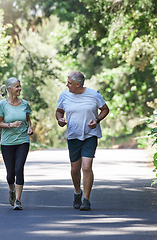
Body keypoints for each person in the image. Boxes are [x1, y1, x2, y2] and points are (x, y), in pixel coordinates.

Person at [56, 71, 109, 211]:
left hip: (90, 135)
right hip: (73, 135)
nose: (67, 85)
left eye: (69, 83)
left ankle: (86, 199)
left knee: (86, 167)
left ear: (78, 84)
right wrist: (60, 119)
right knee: (75, 169)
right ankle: (77, 192)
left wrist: (97, 120)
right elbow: (59, 111)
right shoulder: (64, 95)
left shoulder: (94, 95)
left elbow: (105, 109)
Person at [0, 77, 33, 210]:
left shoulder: (25, 104)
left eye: (20, 86)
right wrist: (11, 125)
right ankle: (11, 191)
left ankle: (18, 200)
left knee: (19, 169)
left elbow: (28, 119)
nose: (19, 89)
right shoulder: (2, 105)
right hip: (7, 143)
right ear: (9, 89)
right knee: (10, 174)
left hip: (23, 141)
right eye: (17, 87)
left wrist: (29, 127)